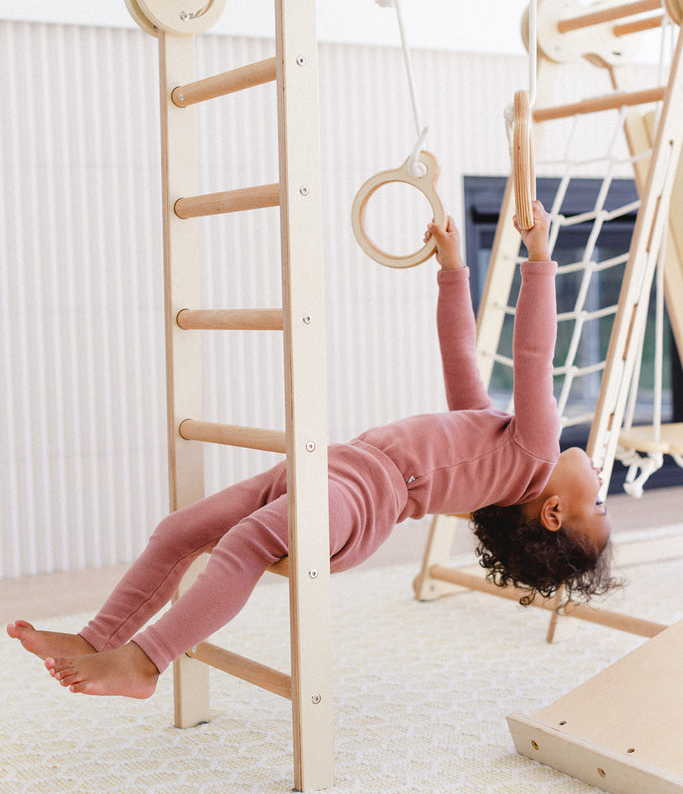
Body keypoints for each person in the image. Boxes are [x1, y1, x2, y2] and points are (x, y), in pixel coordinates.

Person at [7, 200, 616, 699]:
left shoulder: (536, 451)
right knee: (180, 529)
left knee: (244, 542)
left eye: (599, 506)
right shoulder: (501, 444)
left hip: (359, 499)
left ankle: (145, 662)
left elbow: (534, 356)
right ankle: (98, 638)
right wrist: (452, 271)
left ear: (553, 513)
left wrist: (540, 258)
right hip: (332, 467)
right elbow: (460, 355)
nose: (601, 487)